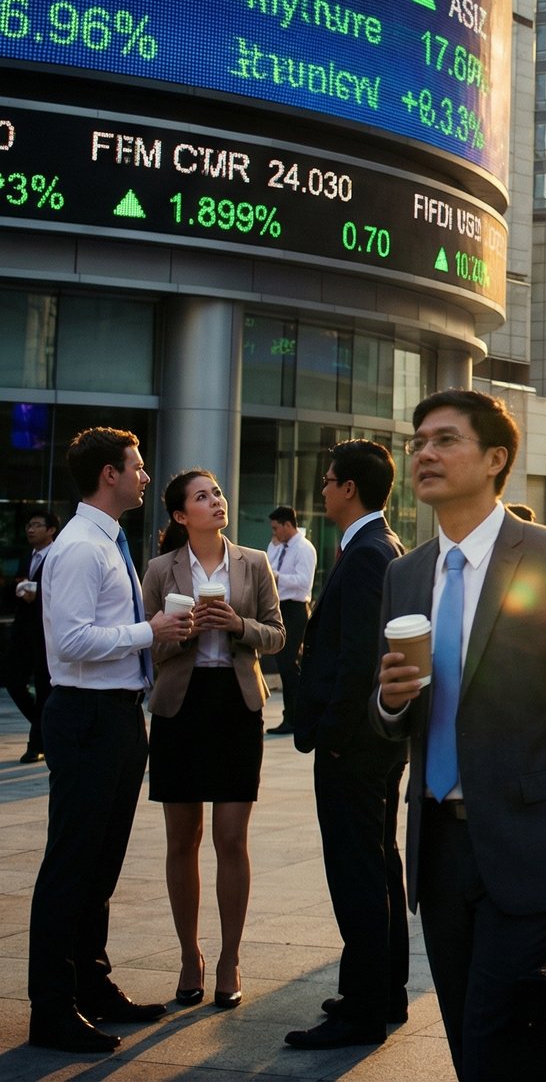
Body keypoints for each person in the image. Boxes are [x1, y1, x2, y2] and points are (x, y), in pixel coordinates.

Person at [374, 389, 546, 1077]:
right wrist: (390, 703)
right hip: (439, 847)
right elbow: (392, 711)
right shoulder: (405, 574)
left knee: (495, 1037)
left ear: (495, 459)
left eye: (444, 440)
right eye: (418, 440)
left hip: (530, 848)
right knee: (469, 1037)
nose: (424, 452)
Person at [28, 428, 193, 1055]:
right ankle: (53, 1007)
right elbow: (67, 644)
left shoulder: (106, 542)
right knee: (72, 865)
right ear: (108, 475)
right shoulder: (78, 549)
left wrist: (145, 634)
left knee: (99, 867)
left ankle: (91, 987)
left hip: (118, 716)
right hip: (87, 716)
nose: (145, 476)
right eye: (138, 467)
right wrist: (147, 631)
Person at [141, 470, 284, 1011]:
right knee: (182, 838)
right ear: (181, 516)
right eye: (203, 497)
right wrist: (184, 632)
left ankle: (230, 958)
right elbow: (146, 648)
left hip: (236, 704)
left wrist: (237, 625)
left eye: (219, 492)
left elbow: (278, 634)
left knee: (230, 837)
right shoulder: (159, 569)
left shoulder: (254, 562)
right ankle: (188, 955)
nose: (216, 501)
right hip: (181, 707)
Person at [286, 441, 410, 1049]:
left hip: (356, 746)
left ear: (350, 488)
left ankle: (363, 1009)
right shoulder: (376, 547)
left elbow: (361, 656)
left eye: (330, 480)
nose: (324, 489)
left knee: (358, 871)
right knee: (379, 863)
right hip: (375, 742)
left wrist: (331, 737)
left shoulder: (366, 554)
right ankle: (382, 992)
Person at [265, 506, 317, 735]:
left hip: (295, 608)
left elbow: (303, 581)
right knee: (284, 664)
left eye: (277, 528)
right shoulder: (276, 547)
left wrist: (277, 576)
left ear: (288, 525)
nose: (274, 532)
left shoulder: (304, 548)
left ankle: (294, 716)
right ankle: (294, 715)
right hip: (279, 606)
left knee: (288, 665)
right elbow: (267, 567)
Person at [12, 508, 58, 762]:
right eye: (29, 525)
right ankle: (45, 726)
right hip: (23, 630)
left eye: (37, 525)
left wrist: (37, 594)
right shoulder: (25, 556)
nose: (31, 529)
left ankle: (36, 744)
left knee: (43, 686)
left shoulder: (57, 556)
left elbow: (58, 592)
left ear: (51, 530)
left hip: (45, 631)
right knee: (14, 682)